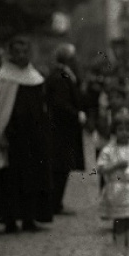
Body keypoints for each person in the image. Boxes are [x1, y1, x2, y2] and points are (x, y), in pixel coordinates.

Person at [0, 36, 54, 233]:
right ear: (11, 54)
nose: (21, 55)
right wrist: (0, 133)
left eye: (25, 51)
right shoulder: (1, 79)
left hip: (33, 138)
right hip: (11, 138)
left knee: (32, 179)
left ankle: (29, 218)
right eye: (17, 52)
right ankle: (9, 219)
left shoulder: (36, 78)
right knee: (9, 180)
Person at [97, 116, 129, 256]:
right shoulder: (108, 149)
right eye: (120, 130)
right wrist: (116, 166)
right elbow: (100, 168)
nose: (124, 133)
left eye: (128, 130)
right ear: (114, 131)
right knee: (119, 220)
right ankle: (119, 250)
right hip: (116, 188)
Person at [46, 43, 85, 215]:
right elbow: (61, 103)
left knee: (62, 166)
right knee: (60, 167)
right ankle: (54, 203)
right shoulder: (60, 76)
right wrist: (76, 114)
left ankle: (56, 202)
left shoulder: (64, 74)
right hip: (61, 129)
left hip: (63, 128)